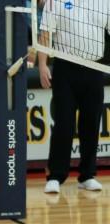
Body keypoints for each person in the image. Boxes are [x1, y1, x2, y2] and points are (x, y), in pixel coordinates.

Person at [39, 0, 107, 195]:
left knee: (91, 122)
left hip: (95, 68)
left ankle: (87, 175)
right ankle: (55, 176)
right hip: (65, 68)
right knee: (64, 124)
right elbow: (45, 33)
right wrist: (43, 64)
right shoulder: (55, 2)